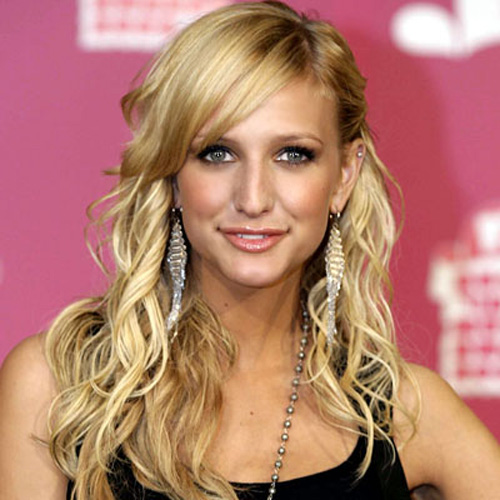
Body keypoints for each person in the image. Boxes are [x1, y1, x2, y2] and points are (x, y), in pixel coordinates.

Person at [1, 1, 499, 499]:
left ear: (344, 175)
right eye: (217, 153)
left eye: (293, 155)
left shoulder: (408, 415)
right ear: (172, 176)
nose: (253, 198)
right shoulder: (56, 388)